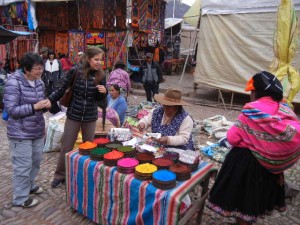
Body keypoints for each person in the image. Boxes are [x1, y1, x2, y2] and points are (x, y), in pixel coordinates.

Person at [206, 71, 300, 225]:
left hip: (247, 164)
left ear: (257, 92)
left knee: (243, 199)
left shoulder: (251, 110)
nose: (250, 94)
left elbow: (232, 138)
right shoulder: (285, 108)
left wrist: (249, 139)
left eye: (252, 91)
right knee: (257, 197)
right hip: (270, 170)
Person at [45, 47, 107, 188]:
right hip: (74, 114)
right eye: (96, 59)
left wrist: (104, 93)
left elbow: (102, 102)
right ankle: (60, 175)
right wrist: (50, 99)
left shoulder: (101, 75)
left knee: (88, 147)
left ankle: (86, 174)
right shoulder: (75, 72)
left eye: (100, 60)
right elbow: (61, 89)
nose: (99, 62)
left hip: (90, 116)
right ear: (88, 59)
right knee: (66, 145)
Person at [3, 52, 51, 207]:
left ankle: (30, 186)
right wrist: (34, 106)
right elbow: (11, 110)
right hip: (20, 132)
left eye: (41, 68)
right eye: (36, 69)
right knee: (22, 165)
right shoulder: (14, 82)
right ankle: (21, 198)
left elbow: (38, 106)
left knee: (35, 161)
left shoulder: (39, 83)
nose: (40, 71)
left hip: (36, 129)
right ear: (26, 69)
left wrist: (44, 107)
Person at [42, 50, 63, 114]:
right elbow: (43, 72)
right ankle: (50, 108)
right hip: (47, 81)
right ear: (48, 55)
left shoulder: (58, 61)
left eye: (52, 54)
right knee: (48, 94)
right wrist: (43, 79)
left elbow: (60, 71)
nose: (51, 55)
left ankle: (56, 109)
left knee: (55, 94)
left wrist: (60, 79)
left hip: (56, 81)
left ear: (54, 55)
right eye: (50, 54)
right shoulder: (45, 62)